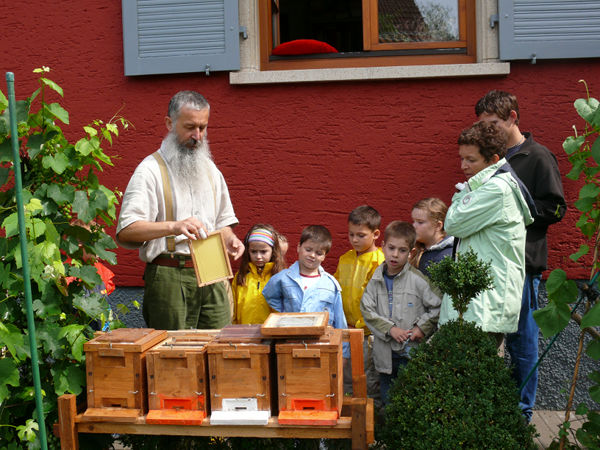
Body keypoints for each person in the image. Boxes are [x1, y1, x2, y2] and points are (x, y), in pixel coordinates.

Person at [116, 90, 244, 330]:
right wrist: (173, 227)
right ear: (169, 123)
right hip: (170, 273)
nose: (197, 136)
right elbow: (126, 231)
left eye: (203, 128)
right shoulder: (150, 170)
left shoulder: (210, 170)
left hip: (213, 270)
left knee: (220, 349)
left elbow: (222, 223)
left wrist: (231, 239)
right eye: (190, 127)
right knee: (174, 357)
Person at [476, 90, 566, 421]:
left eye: (494, 123)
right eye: (483, 125)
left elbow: (557, 208)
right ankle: (498, 414)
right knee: (495, 342)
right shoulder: (489, 157)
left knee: (523, 343)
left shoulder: (537, 156)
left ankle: (522, 416)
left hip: (524, 266)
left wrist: (518, 209)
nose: (488, 131)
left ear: (513, 117)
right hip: (494, 264)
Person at [439, 121, 534, 347]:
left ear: (493, 159)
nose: (463, 165)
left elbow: (451, 223)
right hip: (479, 304)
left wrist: (462, 195)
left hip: (484, 306)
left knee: (470, 375)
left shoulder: (496, 189)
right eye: (461, 158)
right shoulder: (489, 185)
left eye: (471, 160)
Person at [360, 221, 441, 405]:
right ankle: (388, 432)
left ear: (411, 252)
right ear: (383, 247)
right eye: (391, 248)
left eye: (402, 250)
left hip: (410, 352)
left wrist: (421, 327)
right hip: (384, 355)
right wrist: (391, 329)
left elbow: (438, 305)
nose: (395, 254)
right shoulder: (376, 279)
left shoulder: (418, 280)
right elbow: (366, 309)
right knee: (389, 400)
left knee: (412, 399)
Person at [262, 225, 349, 356]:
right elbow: (269, 294)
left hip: (322, 345)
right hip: (290, 344)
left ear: (324, 256)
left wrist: (344, 353)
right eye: (308, 249)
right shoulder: (283, 278)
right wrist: (286, 313)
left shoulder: (330, 284)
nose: (312, 255)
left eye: (319, 253)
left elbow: (340, 320)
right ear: (298, 247)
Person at [334, 205, 384, 402]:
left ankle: (370, 424)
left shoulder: (380, 261)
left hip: (368, 334)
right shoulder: (344, 259)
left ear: (376, 234)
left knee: (366, 379)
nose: (355, 240)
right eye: (351, 234)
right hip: (345, 331)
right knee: (345, 378)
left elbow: (379, 300)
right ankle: (348, 422)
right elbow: (335, 292)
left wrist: (361, 326)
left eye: (361, 235)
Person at [232, 224, 286, 324]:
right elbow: (233, 309)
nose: (258, 256)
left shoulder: (280, 277)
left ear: (273, 251)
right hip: (244, 332)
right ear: (248, 251)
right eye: (254, 251)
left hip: (271, 333)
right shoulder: (241, 276)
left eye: (263, 251)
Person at [410, 198, 454, 277]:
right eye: (414, 221)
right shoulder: (418, 251)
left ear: (438, 225)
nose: (413, 226)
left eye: (420, 222)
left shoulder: (446, 257)